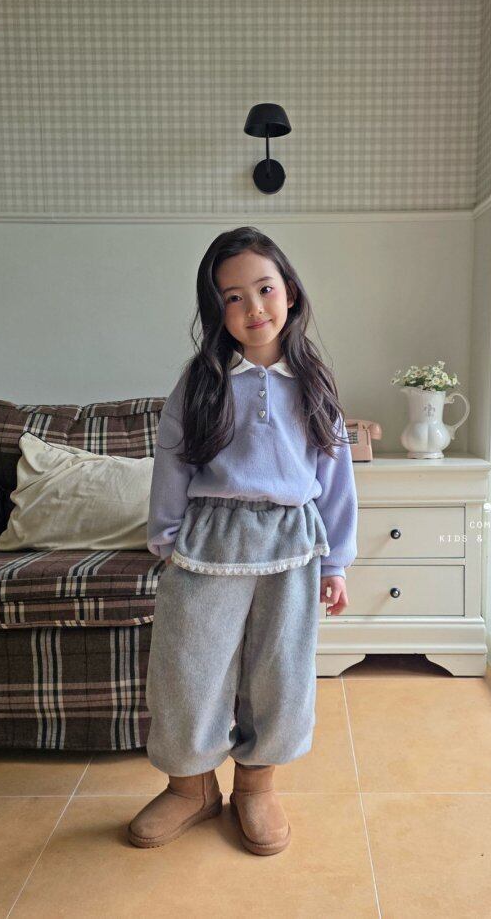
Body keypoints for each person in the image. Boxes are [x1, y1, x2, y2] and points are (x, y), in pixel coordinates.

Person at [128, 226, 358, 856]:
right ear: (216, 309)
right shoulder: (200, 382)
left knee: (280, 671)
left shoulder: (314, 381)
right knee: (188, 669)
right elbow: (171, 459)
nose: (253, 307)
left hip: (292, 543)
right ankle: (190, 788)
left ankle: (256, 787)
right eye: (233, 297)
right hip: (208, 542)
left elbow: (335, 476)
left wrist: (336, 562)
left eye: (264, 289)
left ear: (290, 292)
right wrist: (166, 539)